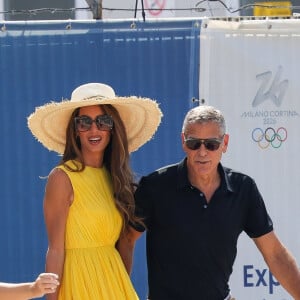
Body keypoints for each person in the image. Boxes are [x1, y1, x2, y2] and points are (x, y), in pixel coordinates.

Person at [119, 105, 300, 300]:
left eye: (211, 144)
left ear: (225, 143)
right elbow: (126, 239)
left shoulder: (243, 189)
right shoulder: (155, 186)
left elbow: (275, 254)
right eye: (194, 143)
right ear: (183, 142)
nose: (202, 152)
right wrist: (119, 294)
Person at [27, 82, 162, 300]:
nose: (94, 129)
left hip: (114, 284)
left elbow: (123, 244)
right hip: (77, 284)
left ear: (112, 128)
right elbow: (55, 250)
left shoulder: (116, 179)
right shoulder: (62, 178)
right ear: (75, 129)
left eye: (103, 121)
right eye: (84, 122)